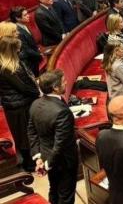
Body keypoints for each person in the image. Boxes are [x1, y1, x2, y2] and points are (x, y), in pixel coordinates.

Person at [28, 69, 77, 204]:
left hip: (45, 156)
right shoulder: (62, 112)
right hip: (63, 161)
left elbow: (31, 133)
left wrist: (39, 158)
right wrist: (48, 163)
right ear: (55, 88)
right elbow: (60, 143)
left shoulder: (35, 104)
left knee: (54, 189)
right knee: (66, 195)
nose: (66, 83)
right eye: (63, 82)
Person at [0, 37, 39, 172]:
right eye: (17, 49)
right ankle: (29, 164)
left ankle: (31, 161)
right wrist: (37, 93)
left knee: (27, 135)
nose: (19, 51)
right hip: (17, 107)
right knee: (23, 137)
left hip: (22, 103)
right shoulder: (5, 68)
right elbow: (22, 87)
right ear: (10, 51)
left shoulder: (14, 62)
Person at [10, 6, 43, 76]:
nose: (28, 16)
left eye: (27, 13)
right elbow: (26, 49)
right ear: (17, 18)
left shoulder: (24, 25)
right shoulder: (17, 32)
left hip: (34, 58)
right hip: (30, 62)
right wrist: (39, 55)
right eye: (25, 15)